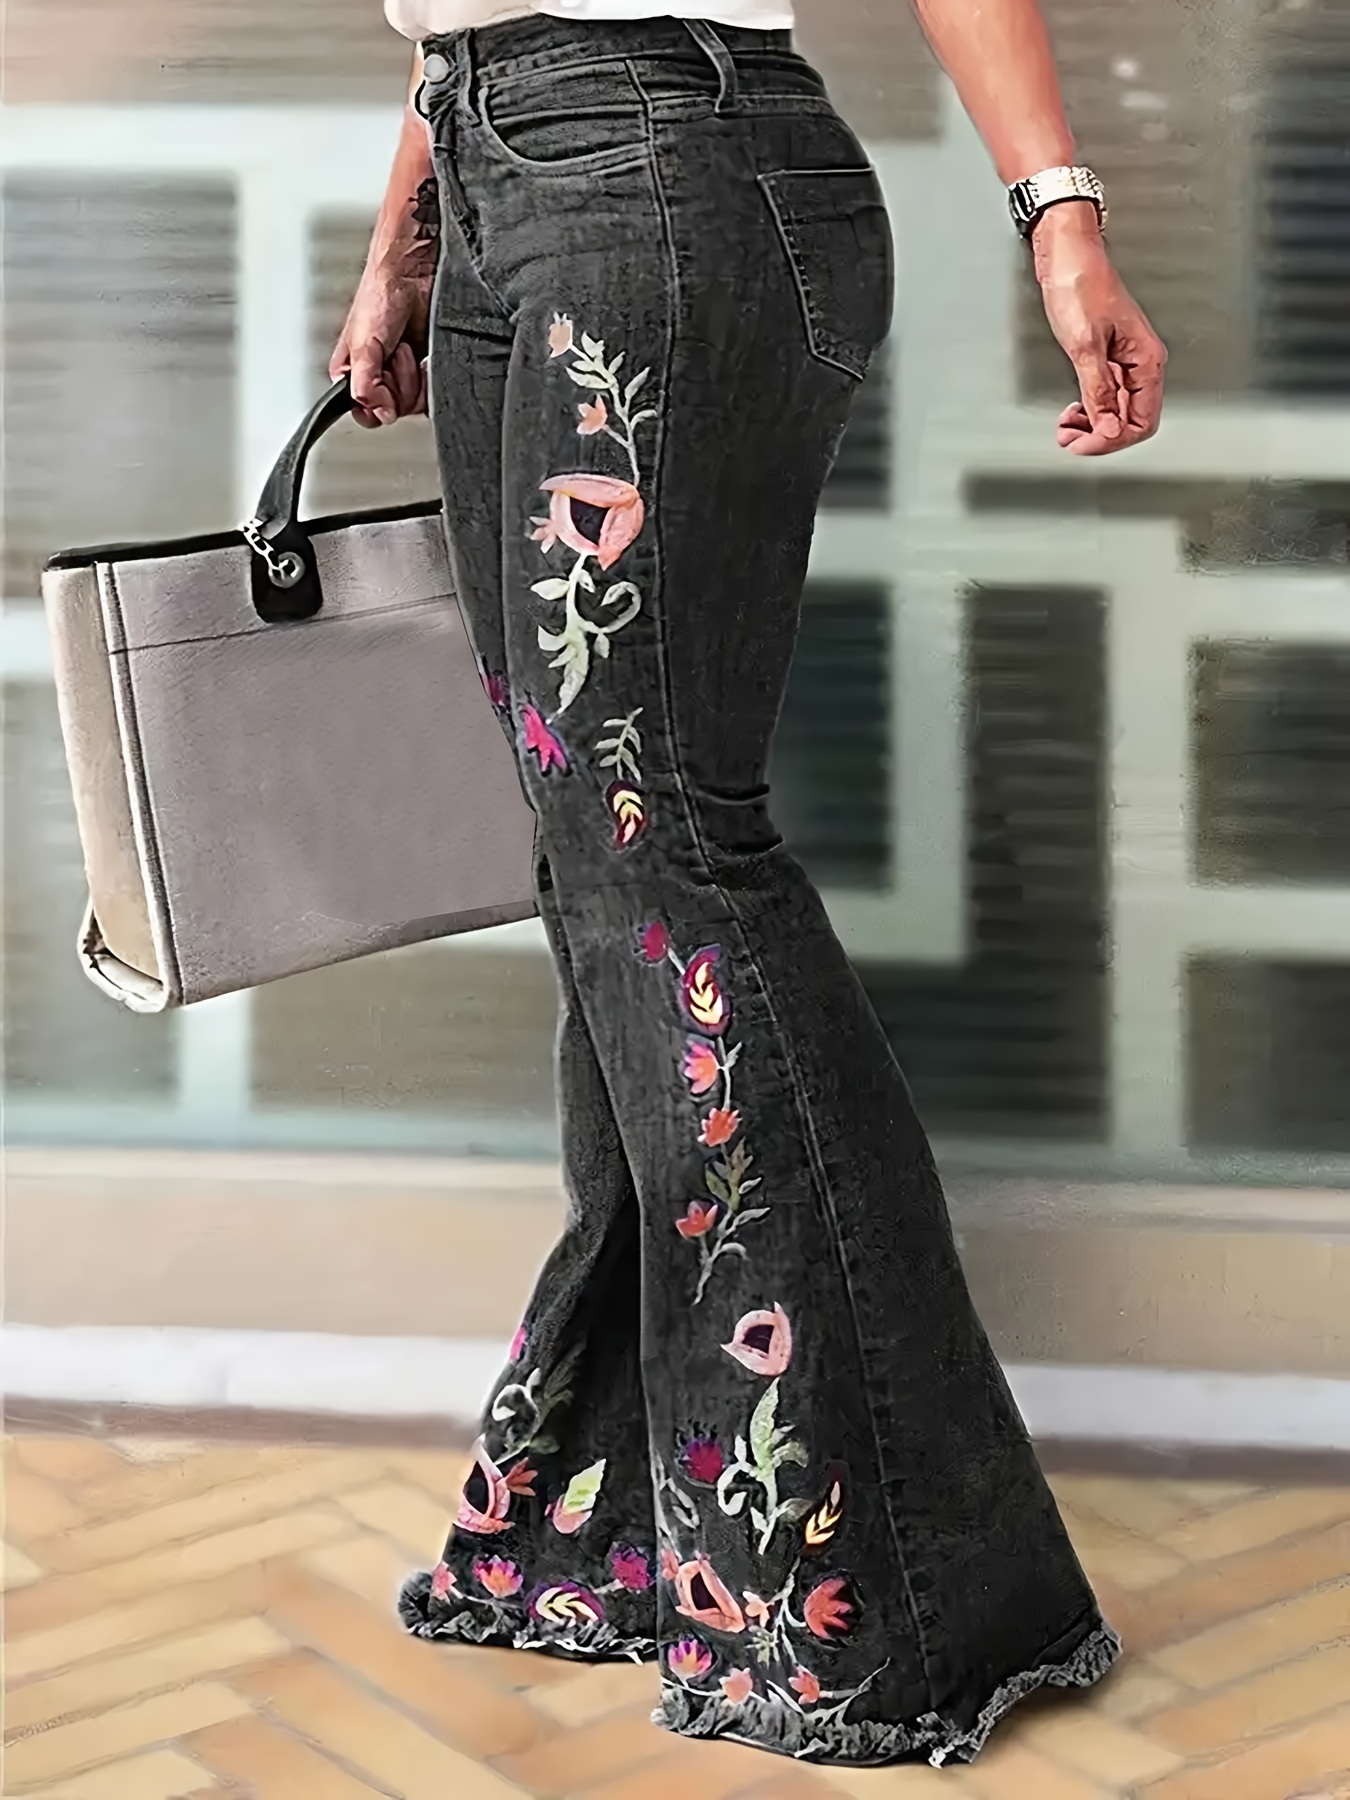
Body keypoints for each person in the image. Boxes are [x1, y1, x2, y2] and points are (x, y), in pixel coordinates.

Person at [332, 0, 1165, 1770]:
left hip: (655, 162)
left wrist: (1060, 216)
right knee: (596, 858)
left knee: (660, 846)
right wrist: (402, 230)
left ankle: (898, 1594)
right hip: (493, 169)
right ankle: (653, 1530)